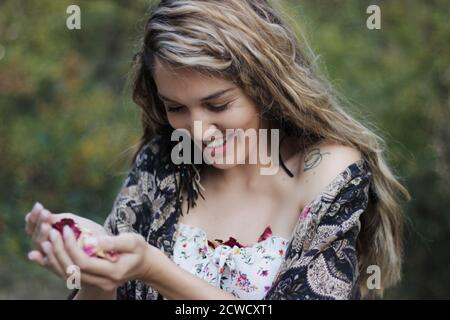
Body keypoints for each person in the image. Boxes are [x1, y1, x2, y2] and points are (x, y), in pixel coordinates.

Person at [25, 0, 410, 300]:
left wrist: (155, 270)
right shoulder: (162, 163)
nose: (197, 131)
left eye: (218, 105)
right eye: (176, 108)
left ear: (265, 85)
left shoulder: (328, 172)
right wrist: (97, 270)